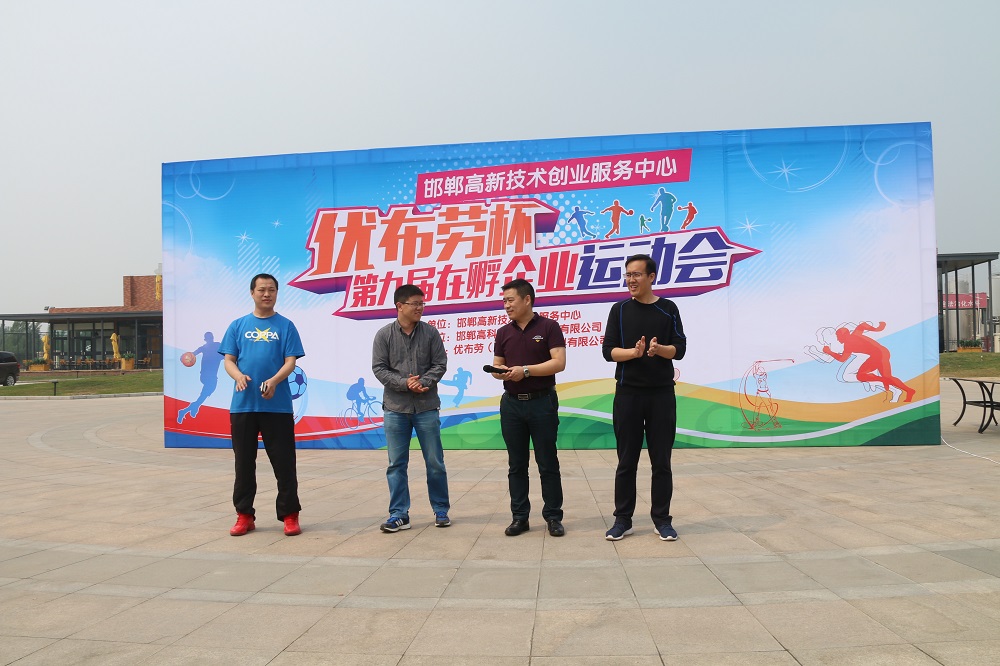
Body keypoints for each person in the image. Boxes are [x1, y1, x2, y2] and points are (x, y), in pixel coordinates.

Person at [602, 254, 686, 542]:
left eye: (636, 274)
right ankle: (622, 520)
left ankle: (662, 520)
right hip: (628, 394)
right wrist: (634, 353)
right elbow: (608, 351)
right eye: (628, 275)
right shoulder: (619, 310)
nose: (631, 280)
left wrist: (659, 350)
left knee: (661, 461)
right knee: (626, 461)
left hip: (661, 395)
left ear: (651, 277)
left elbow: (679, 349)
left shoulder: (668, 309)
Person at [220, 273, 305, 537]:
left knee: (284, 463)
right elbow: (229, 360)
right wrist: (238, 376)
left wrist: (275, 381)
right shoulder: (238, 325)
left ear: (277, 293)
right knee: (244, 464)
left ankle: (289, 515)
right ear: (252, 293)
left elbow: (290, 361)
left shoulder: (286, 326)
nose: (266, 294)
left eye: (271, 290)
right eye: (261, 290)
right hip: (243, 406)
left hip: (277, 407)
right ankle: (244, 515)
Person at [490, 279, 567, 537]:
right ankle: (520, 517)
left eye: (510, 300)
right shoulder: (503, 332)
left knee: (547, 461)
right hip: (511, 404)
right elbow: (497, 365)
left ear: (527, 300)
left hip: (542, 402)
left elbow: (558, 363)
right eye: (504, 301)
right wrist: (500, 372)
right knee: (516, 464)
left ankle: (553, 516)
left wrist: (525, 371)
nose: (506, 305)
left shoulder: (549, 327)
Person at [372, 285, 451, 532]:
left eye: (422, 304)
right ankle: (399, 514)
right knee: (396, 464)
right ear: (400, 306)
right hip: (395, 409)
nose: (420, 308)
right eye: (415, 303)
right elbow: (379, 368)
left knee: (435, 462)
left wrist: (423, 382)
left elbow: (440, 364)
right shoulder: (384, 335)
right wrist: (405, 383)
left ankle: (441, 510)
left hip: (426, 407)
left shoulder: (430, 333)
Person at [177, 331, 223, 423]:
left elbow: (192, 354)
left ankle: (192, 408)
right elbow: (192, 355)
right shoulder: (211, 347)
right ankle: (187, 410)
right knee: (207, 392)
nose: (210, 339)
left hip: (205, 376)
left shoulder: (209, 347)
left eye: (210, 337)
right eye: (209, 338)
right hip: (209, 376)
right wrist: (184, 358)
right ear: (207, 339)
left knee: (205, 394)